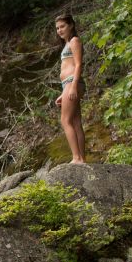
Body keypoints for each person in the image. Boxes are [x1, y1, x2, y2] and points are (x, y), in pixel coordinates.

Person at [54, 14, 86, 164]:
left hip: (72, 83)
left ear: (71, 25)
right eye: (57, 28)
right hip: (68, 85)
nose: (59, 30)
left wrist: (72, 86)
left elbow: (78, 65)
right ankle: (82, 159)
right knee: (75, 121)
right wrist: (63, 93)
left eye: (62, 26)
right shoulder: (67, 43)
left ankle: (76, 158)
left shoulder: (74, 41)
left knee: (65, 121)